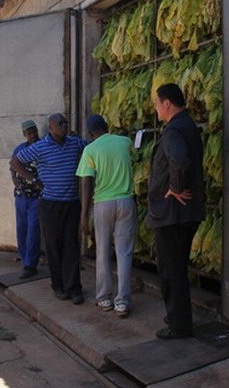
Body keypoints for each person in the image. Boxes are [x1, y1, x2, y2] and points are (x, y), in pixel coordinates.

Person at [146, 83, 205, 339]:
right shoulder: (187, 125)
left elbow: (179, 160)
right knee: (176, 267)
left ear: (167, 103)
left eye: (157, 103)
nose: (156, 108)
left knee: (171, 270)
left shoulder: (173, 130)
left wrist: (174, 187)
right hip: (183, 213)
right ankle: (177, 318)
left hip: (173, 214)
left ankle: (179, 325)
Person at [10, 114, 87, 304]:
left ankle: (74, 288)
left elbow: (91, 148)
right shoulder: (40, 147)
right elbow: (15, 163)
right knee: (54, 246)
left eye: (65, 123)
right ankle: (58, 286)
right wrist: (33, 179)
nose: (64, 126)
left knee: (71, 246)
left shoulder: (75, 143)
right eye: (59, 124)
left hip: (72, 203)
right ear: (50, 128)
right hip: (50, 204)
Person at [77, 115, 136, 318]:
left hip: (103, 204)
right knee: (124, 253)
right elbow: (134, 156)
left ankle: (104, 298)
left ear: (91, 133)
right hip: (126, 202)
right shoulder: (124, 142)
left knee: (102, 252)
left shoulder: (90, 149)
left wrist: (84, 215)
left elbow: (86, 183)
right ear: (106, 126)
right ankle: (123, 302)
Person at [10, 120, 41, 279]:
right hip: (21, 196)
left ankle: (30, 264)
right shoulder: (20, 149)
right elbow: (13, 168)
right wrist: (16, 182)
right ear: (24, 134)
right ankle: (24, 259)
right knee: (22, 229)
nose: (32, 135)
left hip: (36, 197)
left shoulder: (42, 147)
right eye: (29, 133)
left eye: (34, 131)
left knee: (33, 231)